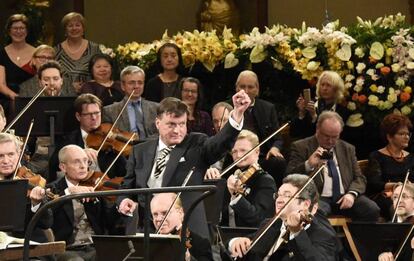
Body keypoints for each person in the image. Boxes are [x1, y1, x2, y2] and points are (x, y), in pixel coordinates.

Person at [117, 90, 251, 238]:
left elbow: (219, 144)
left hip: (187, 229)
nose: (177, 130)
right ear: (157, 123)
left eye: (182, 124)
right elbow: (126, 187)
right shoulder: (140, 150)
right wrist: (123, 200)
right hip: (147, 229)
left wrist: (237, 115)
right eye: (171, 124)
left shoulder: (196, 144)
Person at [287, 111, 380, 221]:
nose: (330, 141)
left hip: (344, 196)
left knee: (371, 209)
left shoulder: (348, 148)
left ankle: (354, 238)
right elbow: (289, 176)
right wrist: (309, 164)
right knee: (315, 212)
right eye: (326, 136)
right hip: (319, 198)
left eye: (335, 137)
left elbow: (359, 177)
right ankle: (326, 238)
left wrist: (351, 194)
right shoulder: (301, 146)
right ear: (317, 129)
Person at [227, 174, 338, 260]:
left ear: (306, 205)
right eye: (278, 195)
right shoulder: (272, 223)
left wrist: (297, 232)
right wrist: (235, 242)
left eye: (287, 195)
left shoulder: (323, 235)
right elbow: (249, 242)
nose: (279, 200)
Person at [47, 144, 118, 261]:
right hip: (67, 249)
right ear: (63, 167)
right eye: (76, 162)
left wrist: (121, 209)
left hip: (96, 246)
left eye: (86, 161)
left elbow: (109, 221)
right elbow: (47, 216)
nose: (83, 166)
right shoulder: (53, 189)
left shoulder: (95, 187)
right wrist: (69, 192)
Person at [49, 93, 127, 182]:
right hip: (80, 188)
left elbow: (126, 171)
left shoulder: (110, 141)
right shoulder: (69, 140)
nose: (94, 117)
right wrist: (80, 152)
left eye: (97, 113)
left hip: (109, 188)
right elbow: (54, 166)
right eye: (88, 114)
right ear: (78, 116)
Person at [231, 70, 286, 187]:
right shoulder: (229, 107)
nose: (245, 91)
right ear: (236, 88)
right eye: (242, 86)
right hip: (238, 156)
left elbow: (277, 138)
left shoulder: (268, 108)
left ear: (257, 90)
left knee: (278, 162)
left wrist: (275, 148)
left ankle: (275, 196)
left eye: (250, 87)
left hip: (261, 157)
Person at [218, 130, 276, 227]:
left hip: (250, 237)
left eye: (243, 150)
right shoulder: (232, 179)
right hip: (227, 236)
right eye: (234, 151)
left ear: (257, 152)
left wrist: (236, 196)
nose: (238, 155)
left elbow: (259, 219)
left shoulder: (265, 181)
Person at [367, 113, 414, 220]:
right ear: (389, 136)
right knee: (400, 206)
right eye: (401, 134)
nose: (406, 137)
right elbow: (374, 184)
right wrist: (395, 185)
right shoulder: (376, 156)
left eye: (408, 134)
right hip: (386, 196)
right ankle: (402, 235)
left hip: (409, 195)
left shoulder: (411, 157)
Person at [150, 193, 213, 261]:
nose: (159, 219)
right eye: (155, 214)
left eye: (165, 213)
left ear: (180, 213)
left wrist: (189, 259)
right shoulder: (147, 242)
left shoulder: (200, 244)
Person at [103, 65, 158, 140]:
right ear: (122, 86)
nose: (136, 86)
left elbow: (161, 133)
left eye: (140, 83)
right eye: (131, 83)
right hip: (125, 149)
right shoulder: (109, 111)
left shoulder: (156, 108)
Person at [290, 71, 348, 140]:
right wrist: (301, 113)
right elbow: (294, 133)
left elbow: (331, 135)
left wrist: (314, 116)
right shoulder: (311, 104)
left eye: (328, 85)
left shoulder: (342, 109)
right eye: (322, 85)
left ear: (336, 89)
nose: (324, 88)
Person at [54, 12, 101, 94]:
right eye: (70, 26)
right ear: (65, 30)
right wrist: (69, 86)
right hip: (63, 96)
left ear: (83, 29)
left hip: (90, 95)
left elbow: (101, 74)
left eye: (77, 25)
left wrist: (86, 86)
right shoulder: (56, 51)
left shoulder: (94, 49)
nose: (74, 28)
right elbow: (52, 76)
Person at [0, 14, 36, 119]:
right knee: (12, 106)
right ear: (9, 31)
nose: (18, 31)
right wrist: (15, 97)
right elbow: (1, 84)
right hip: (7, 99)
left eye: (22, 28)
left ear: (27, 31)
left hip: (31, 98)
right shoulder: (2, 54)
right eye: (15, 28)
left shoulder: (36, 52)